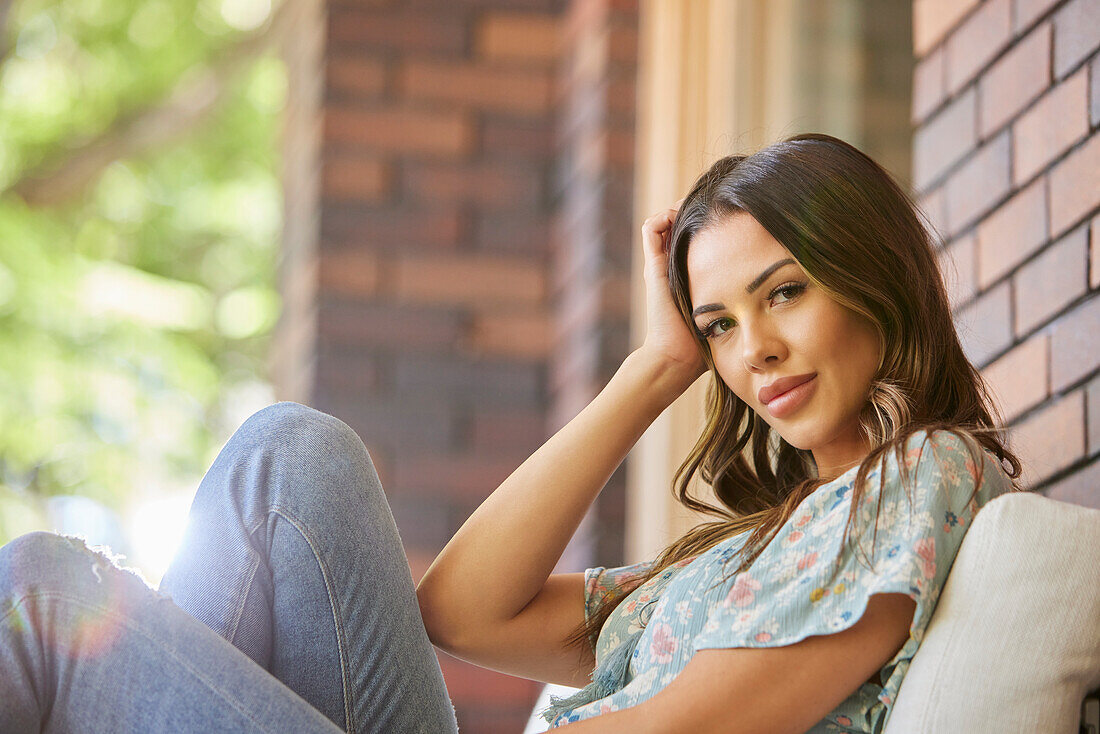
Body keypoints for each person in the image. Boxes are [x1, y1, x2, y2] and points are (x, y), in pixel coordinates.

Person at [0, 132, 1023, 734]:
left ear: (869, 275)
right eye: (718, 322)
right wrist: (655, 366)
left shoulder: (923, 473)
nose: (750, 349)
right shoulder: (745, 549)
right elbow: (459, 609)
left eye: (783, 292)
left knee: (48, 595)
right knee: (288, 454)